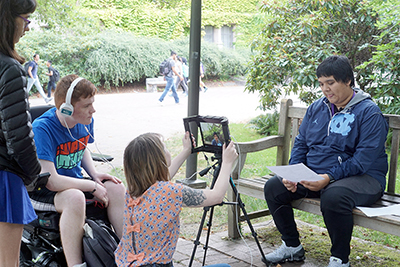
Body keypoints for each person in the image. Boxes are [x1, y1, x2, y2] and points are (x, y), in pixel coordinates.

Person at [263, 55, 388, 267]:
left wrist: (328, 177)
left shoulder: (369, 113)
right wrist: (294, 173)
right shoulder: (317, 107)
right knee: (274, 186)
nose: (325, 89)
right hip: (317, 176)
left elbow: (362, 160)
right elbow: (301, 142)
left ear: (347, 80)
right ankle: (292, 246)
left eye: (330, 82)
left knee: (333, 196)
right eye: (321, 84)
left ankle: (340, 259)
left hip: (363, 178)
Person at [29, 74, 126, 267]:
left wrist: (94, 175)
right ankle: (76, 265)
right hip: (42, 191)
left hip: (72, 183)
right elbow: (52, 181)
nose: (93, 110)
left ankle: (128, 253)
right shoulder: (43, 128)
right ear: (66, 108)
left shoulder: (85, 122)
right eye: (86, 105)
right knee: (75, 198)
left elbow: (81, 149)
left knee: (116, 188)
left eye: (93, 103)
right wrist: (91, 186)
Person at [115, 132, 238, 267]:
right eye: (165, 148)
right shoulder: (171, 192)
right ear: (159, 159)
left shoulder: (132, 191)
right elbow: (217, 196)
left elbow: (162, 180)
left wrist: (186, 151)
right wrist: (227, 162)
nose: (168, 151)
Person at [0, 0, 42, 266]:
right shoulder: (10, 69)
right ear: (7, 19)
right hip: (5, 180)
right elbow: (18, 136)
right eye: (26, 19)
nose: (28, 27)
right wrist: (35, 173)